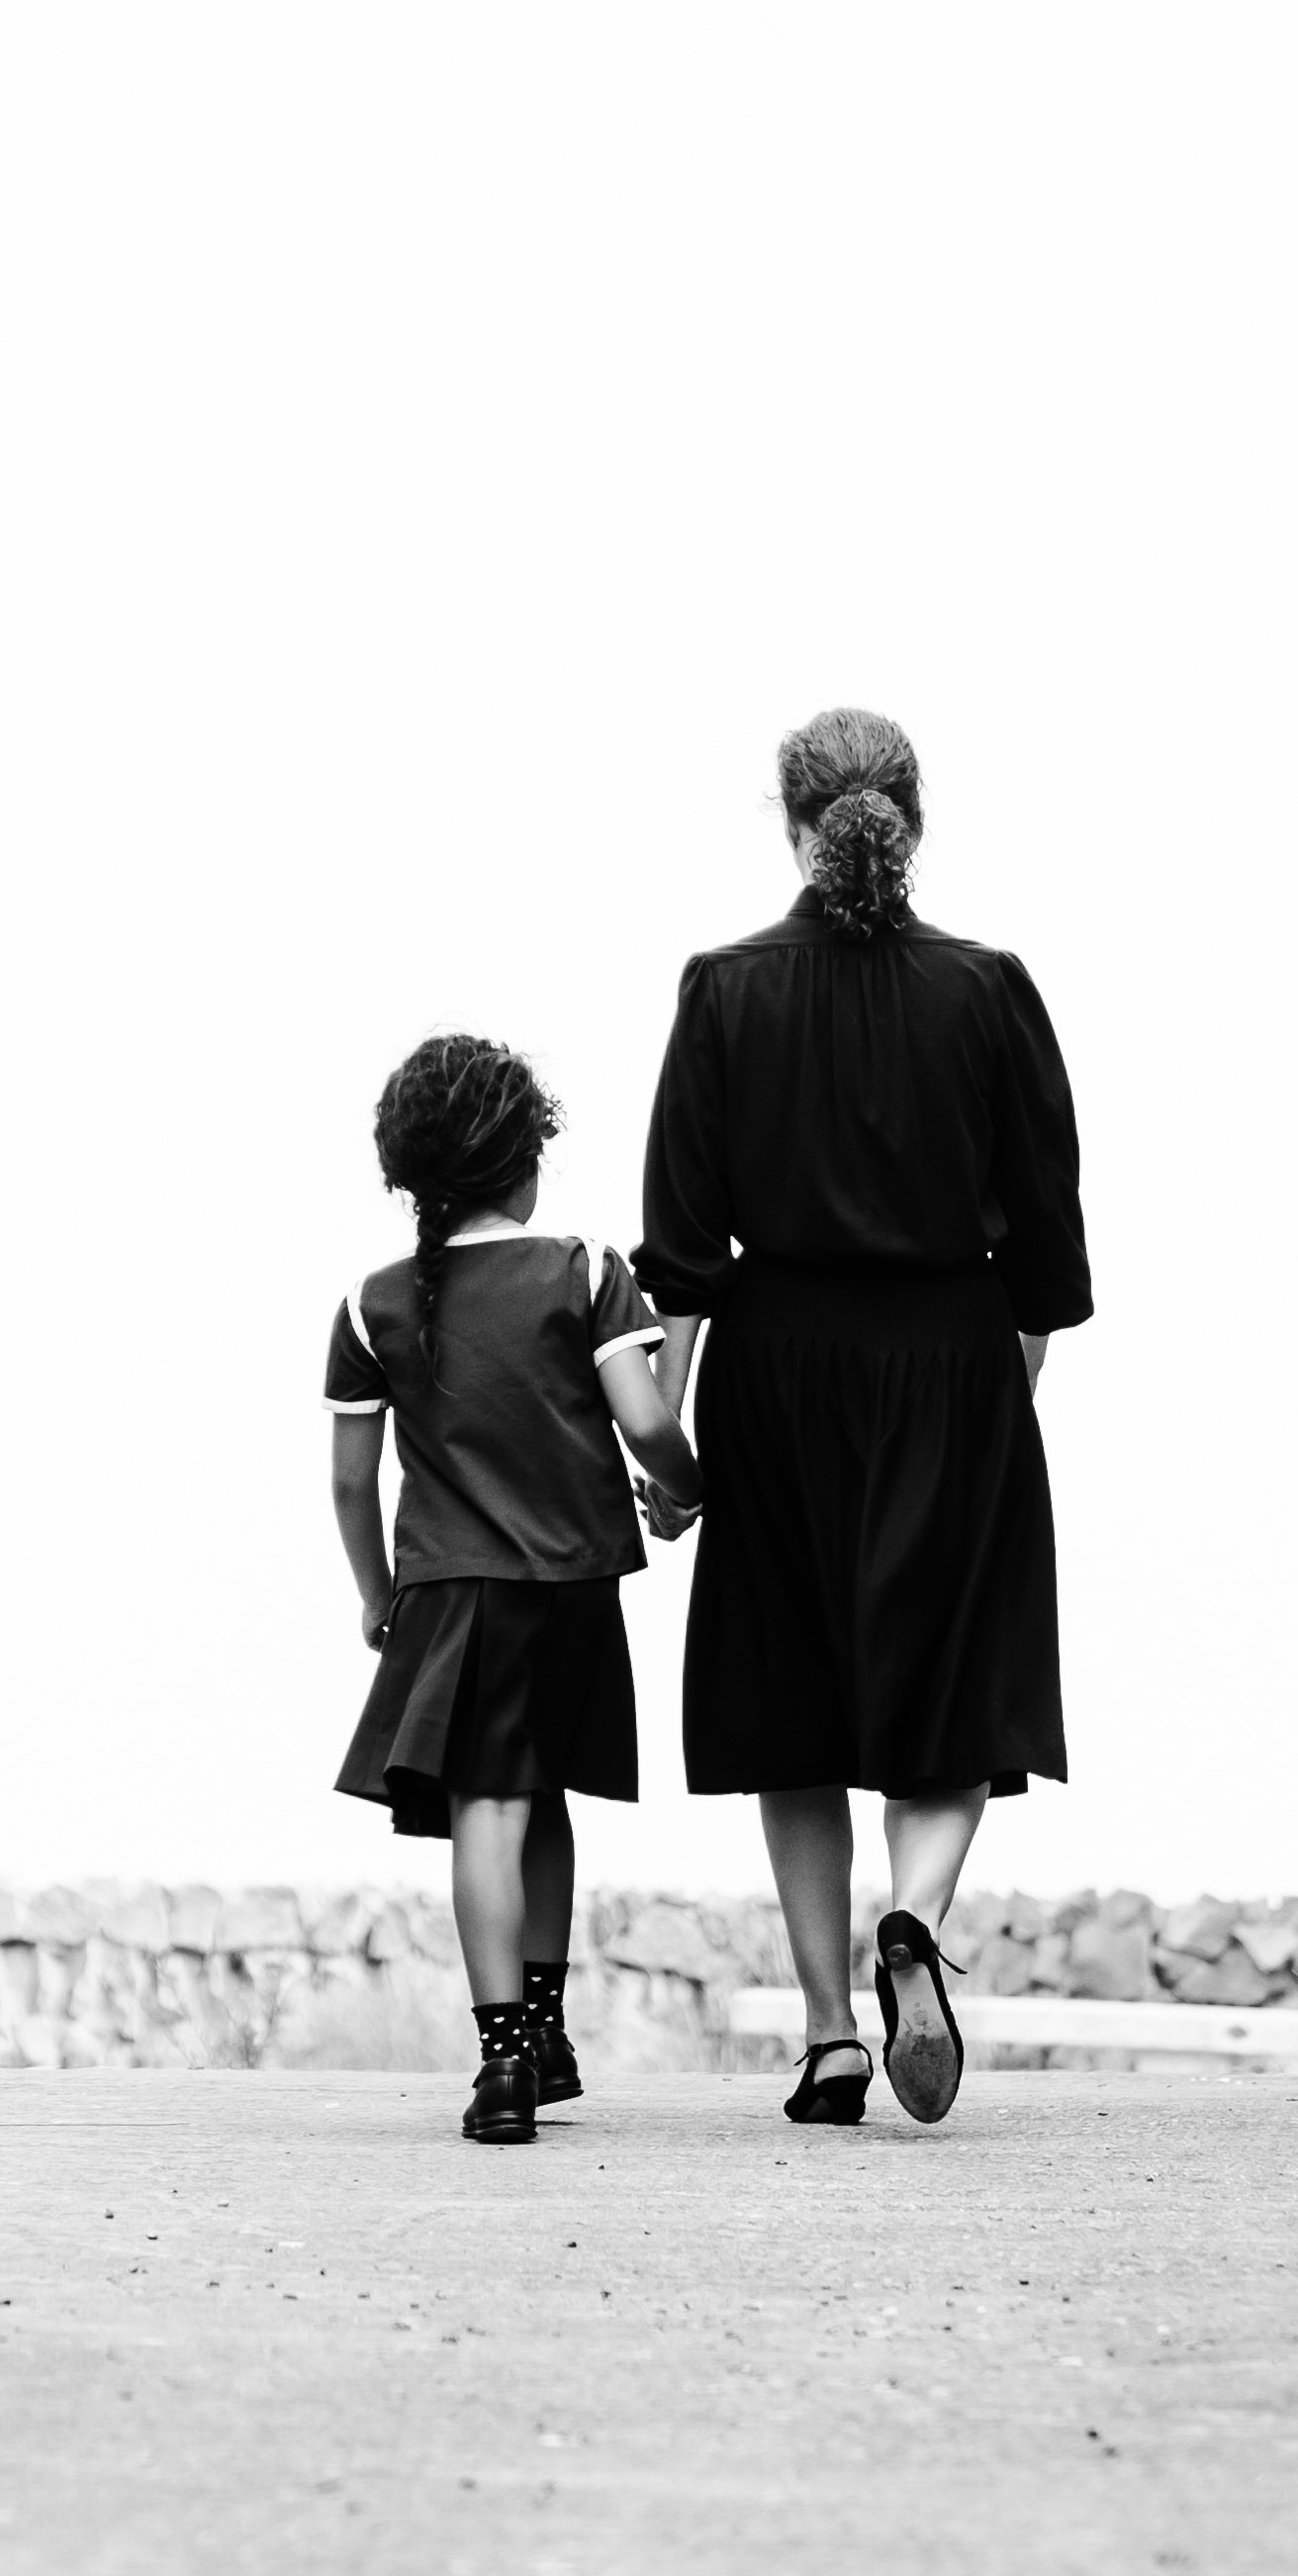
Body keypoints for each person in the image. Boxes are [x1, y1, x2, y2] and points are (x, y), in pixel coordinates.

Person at [640, 707, 1089, 2128]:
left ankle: (832, 2036)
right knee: (948, 1691)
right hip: (952, 1357)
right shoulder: (990, 989)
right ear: (916, 822)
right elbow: (1047, 1251)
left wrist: (668, 1443)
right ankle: (916, 1921)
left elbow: (681, 1255)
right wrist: (992, 1409)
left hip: (776, 1368)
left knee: (794, 1709)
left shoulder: (723, 989)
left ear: (793, 828)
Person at [324, 1032, 695, 2147]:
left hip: (451, 1592)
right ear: (526, 1157)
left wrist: (377, 1593)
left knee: (485, 1808)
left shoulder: (371, 1304)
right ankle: (541, 2034)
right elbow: (647, 1422)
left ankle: (502, 2062)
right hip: (572, 1585)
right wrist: (685, 1490)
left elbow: (350, 1480)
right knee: (545, 1799)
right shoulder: (583, 1270)